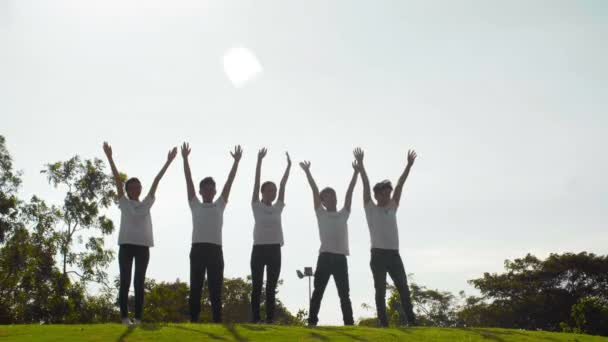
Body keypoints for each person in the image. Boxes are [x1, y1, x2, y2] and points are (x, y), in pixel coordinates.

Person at [103, 141, 177, 325]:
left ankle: (138, 318)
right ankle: (124, 317)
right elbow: (117, 180)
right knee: (126, 280)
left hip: (143, 246)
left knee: (139, 282)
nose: (136, 188)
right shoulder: (124, 202)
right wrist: (110, 157)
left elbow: (156, 181)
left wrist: (168, 162)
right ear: (127, 191)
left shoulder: (146, 203)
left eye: (138, 186)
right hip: (126, 245)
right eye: (132, 187)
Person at [353, 147, 418, 327]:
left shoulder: (392, 207)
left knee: (403, 287)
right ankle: (384, 322)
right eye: (383, 193)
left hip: (394, 255)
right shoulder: (370, 208)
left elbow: (400, 185)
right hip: (378, 255)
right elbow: (365, 184)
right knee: (380, 290)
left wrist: (408, 165)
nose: (387, 195)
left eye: (388, 193)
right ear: (376, 195)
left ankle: (411, 321)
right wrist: (361, 164)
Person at [181, 142, 242, 323]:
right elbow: (188, 180)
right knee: (196, 286)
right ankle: (194, 319)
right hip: (198, 249)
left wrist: (236, 162)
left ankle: (217, 320)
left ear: (215, 191)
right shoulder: (195, 205)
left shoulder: (220, 204)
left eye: (211, 189)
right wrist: (185, 159)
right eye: (205, 189)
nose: (209, 191)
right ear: (200, 192)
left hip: (216, 249)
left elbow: (229, 182)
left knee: (216, 287)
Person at [299, 159, 358, 326]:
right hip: (324, 257)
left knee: (344, 294)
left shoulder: (343, 213)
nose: (331, 198)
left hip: (340, 258)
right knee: (318, 291)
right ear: (322, 201)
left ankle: (349, 323)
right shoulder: (321, 214)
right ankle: (311, 321)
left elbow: (350, 192)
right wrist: (308, 172)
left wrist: (356, 172)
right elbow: (314, 189)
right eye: (327, 197)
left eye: (333, 195)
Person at [250, 148, 291, 323]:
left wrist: (288, 166)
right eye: (269, 190)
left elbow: (283, 185)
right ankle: (256, 318)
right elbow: (256, 181)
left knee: (271, 287)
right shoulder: (256, 205)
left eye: (274, 191)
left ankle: (270, 319)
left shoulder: (278, 207)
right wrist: (259, 161)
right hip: (259, 249)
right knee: (257, 286)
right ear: (262, 192)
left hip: (275, 249)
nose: (272, 193)